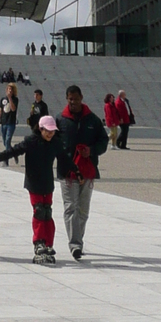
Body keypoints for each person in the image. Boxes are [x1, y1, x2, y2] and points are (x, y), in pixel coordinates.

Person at [0, 114, 62, 264]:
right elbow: (15, 150)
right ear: (40, 129)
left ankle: (49, 243)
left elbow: (65, 158)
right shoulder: (31, 141)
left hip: (47, 183)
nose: (50, 133)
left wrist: (76, 171)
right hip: (34, 183)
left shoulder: (55, 142)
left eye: (52, 131)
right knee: (39, 211)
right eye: (47, 131)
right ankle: (39, 242)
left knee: (47, 212)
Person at [57, 86, 108, 261]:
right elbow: (51, 142)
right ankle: (75, 245)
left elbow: (104, 141)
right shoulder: (61, 120)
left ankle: (78, 239)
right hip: (67, 172)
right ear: (66, 99)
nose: (73, 102)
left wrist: (92, 150)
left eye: (76, 99)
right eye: (70, 99)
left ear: (81, 98)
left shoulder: (92, 120)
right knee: (71, 207)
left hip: (87, 171)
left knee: (83, 210)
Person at [0, 83, 19, 151]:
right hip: (3, 122)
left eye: (11, 89)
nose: (10, 91)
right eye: (9, 89)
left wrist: (10, 98)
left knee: (8, 140)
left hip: (11, 123)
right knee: (5, 142)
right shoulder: (3, 99)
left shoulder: (15, 99)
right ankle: (14, 152)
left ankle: (6, 160)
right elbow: (0, 110)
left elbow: (13, 109)